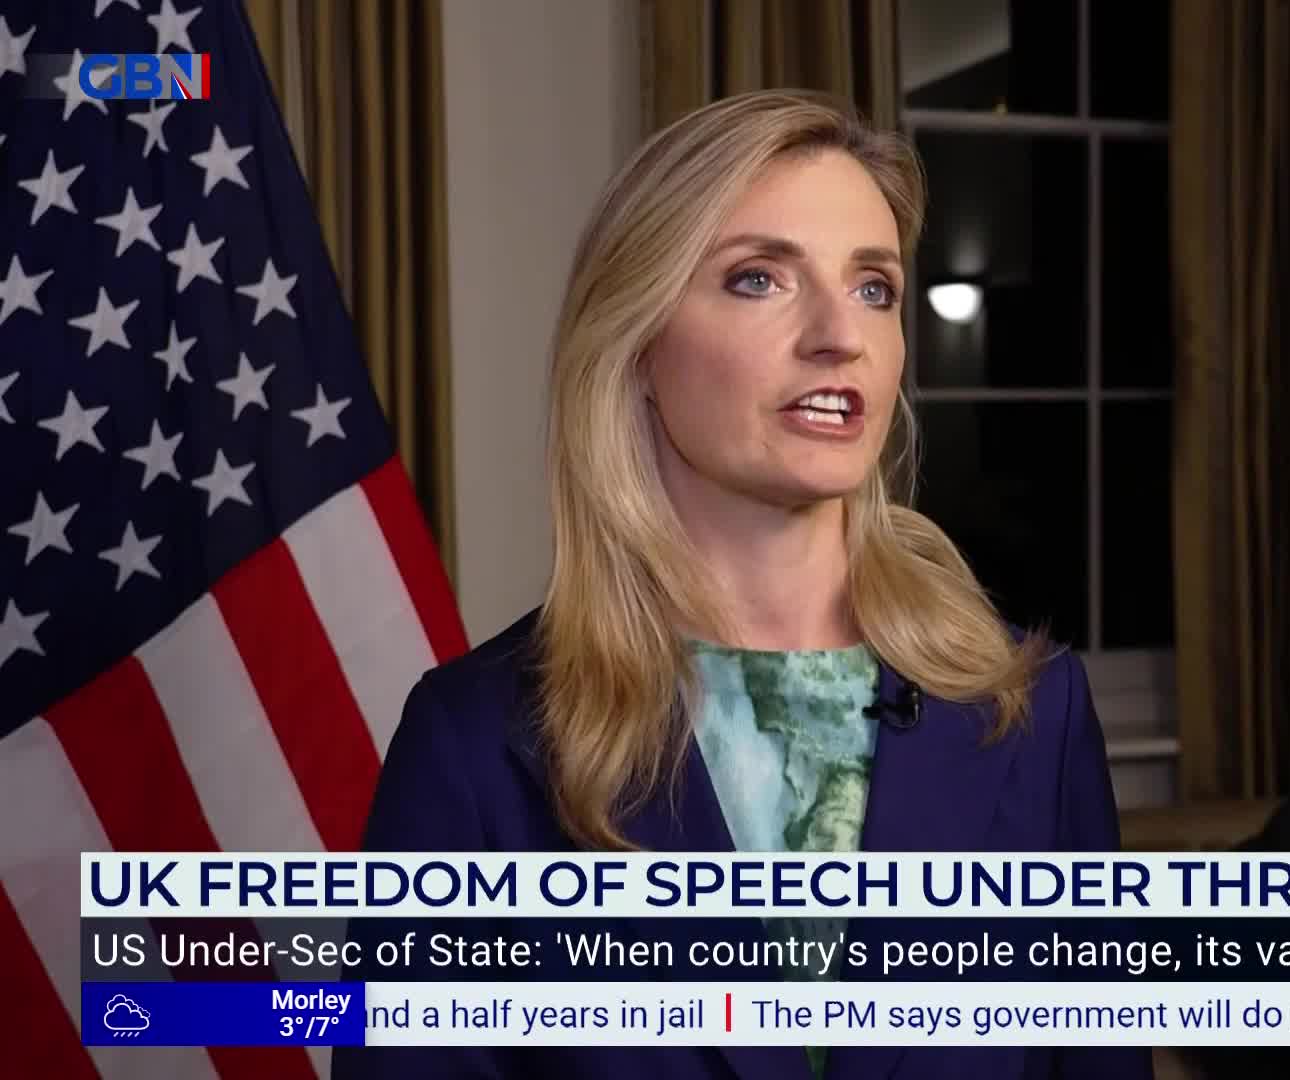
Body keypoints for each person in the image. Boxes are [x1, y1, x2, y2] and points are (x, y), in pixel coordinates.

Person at [331, 89, 1149, 1080]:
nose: (836, 335)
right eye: (760, 279)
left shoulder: (1032, 713)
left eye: (874, 288)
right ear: (637, 346)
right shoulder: (474, 743)